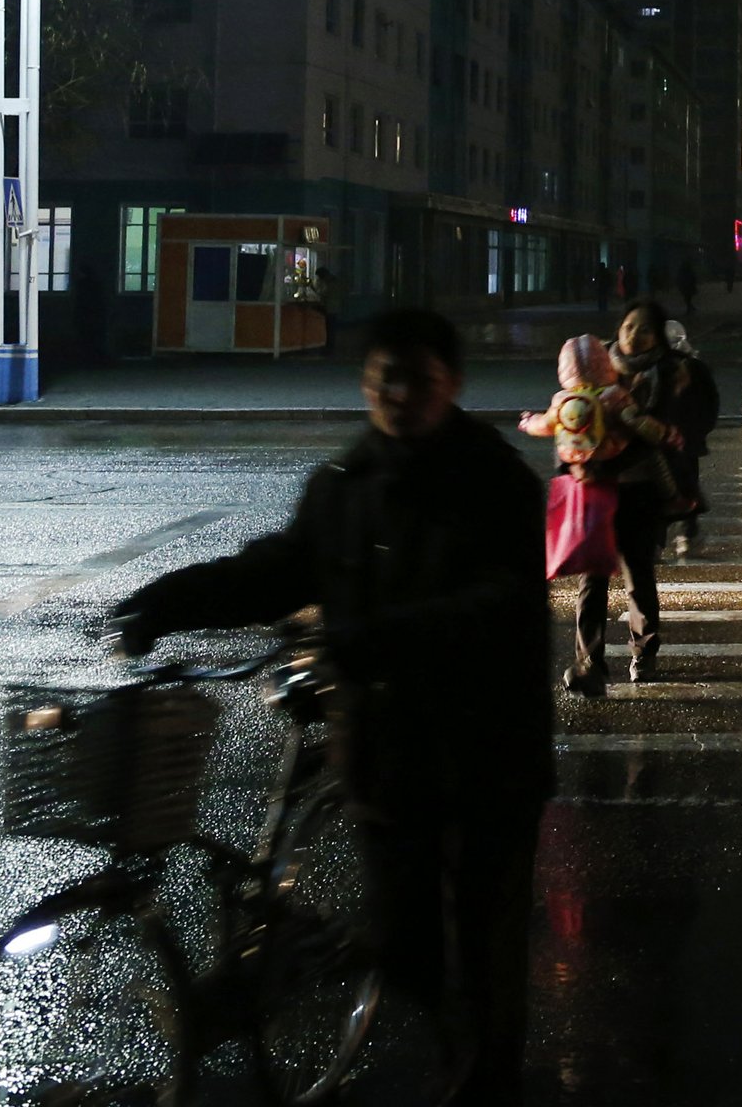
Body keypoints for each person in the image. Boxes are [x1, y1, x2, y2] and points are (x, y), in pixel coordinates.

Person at [110, 309, 544, 1101]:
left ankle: (483, 1084)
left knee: (481, 963)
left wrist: (370, 637)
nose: (397, 390)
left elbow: (500, 605)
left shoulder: (496, 484)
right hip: (388, 761)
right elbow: (276, 570)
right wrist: (167, 601)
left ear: (450, 385)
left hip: (486, 765)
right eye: (384, 373)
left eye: (416, 376)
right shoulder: (346, 485)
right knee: (407, 949)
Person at [524, 330, 686, 695]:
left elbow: (550, 432)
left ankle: (590, 661)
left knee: (594, 581)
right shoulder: (618, 395)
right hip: (632, 495)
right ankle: (639, 655)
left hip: (595, 497)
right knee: (636, 576)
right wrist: (664, 435)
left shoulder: (564, 401)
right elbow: (645, 433)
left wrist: (531, 426)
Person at [616, 300, 720, 566]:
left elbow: (708, 405)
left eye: (644, 330)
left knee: (677, 489)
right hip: (623, 463)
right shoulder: (606, 367)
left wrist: (689, 435)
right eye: (628, 327)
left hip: (677, 446)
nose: (634, 336)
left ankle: (681, 534)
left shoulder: (685, 368)